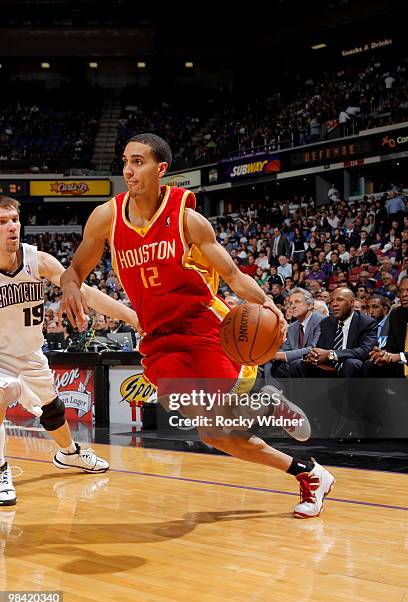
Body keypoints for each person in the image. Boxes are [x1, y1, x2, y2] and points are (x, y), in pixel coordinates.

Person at [61, 133, 335, 519]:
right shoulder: (106, 216)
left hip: (202, 326)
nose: (128, 169)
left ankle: (267, 405)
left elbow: (234, 276)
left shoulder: (187, 219)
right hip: (158, 337)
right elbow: (75, 269)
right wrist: (69, 288)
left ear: (161, 170)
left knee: (223, 411)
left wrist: (267, 303)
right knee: (213, 433)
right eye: (125, 160)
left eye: (138, 161)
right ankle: (307, 472)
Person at [0, 195, 141, 506]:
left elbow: (84, 291)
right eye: (2, 222)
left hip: (30, 353)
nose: (12, 227)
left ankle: (69, 454)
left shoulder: (37, 260)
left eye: (14, 220)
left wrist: (131, 315)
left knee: (53, 412)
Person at [290, 287, 377, 378]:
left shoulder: (366, 322)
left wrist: (332, 354)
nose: (334, 304)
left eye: (339, 300)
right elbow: (320, 347)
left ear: (352, 303)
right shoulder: (326, 322)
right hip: (329, 368)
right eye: (332, 301)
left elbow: (366, 350)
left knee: (351, 363)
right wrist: (314, 355)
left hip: (351, 368)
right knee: (297, 364)